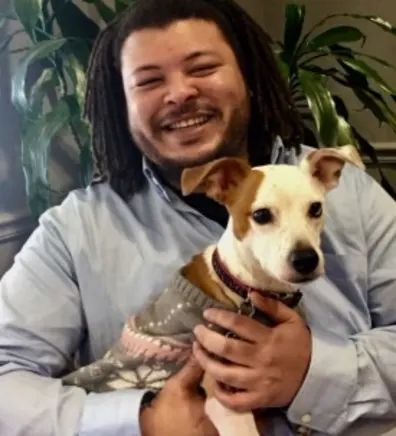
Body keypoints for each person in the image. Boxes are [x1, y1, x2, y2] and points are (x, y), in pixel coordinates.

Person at [0, 0, 396, 435]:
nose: (180, 92)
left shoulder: (352, 193)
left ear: (247, 75)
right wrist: (142, 419)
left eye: (202, 68)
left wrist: (317, 372)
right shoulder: (74, 231)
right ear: (121, 104)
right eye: (149, 80)